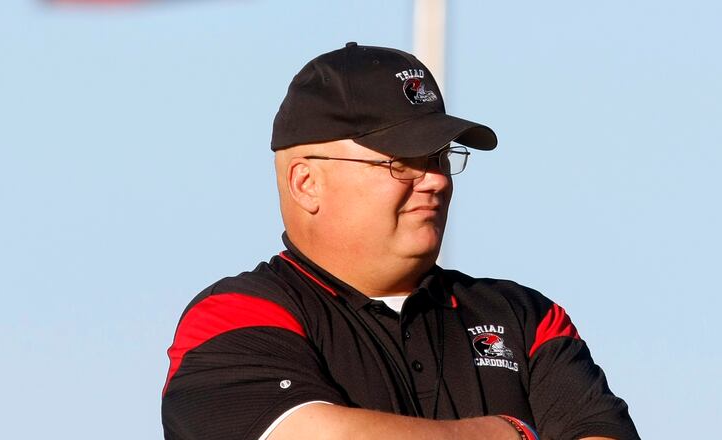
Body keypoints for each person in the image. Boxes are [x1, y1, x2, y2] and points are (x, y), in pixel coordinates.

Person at [161, 42, 639, 440]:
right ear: (306, 182)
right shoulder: (234, 315)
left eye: (439, 158)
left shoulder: (523, 318)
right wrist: (507, 432)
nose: (435, 181)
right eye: (401, 162)